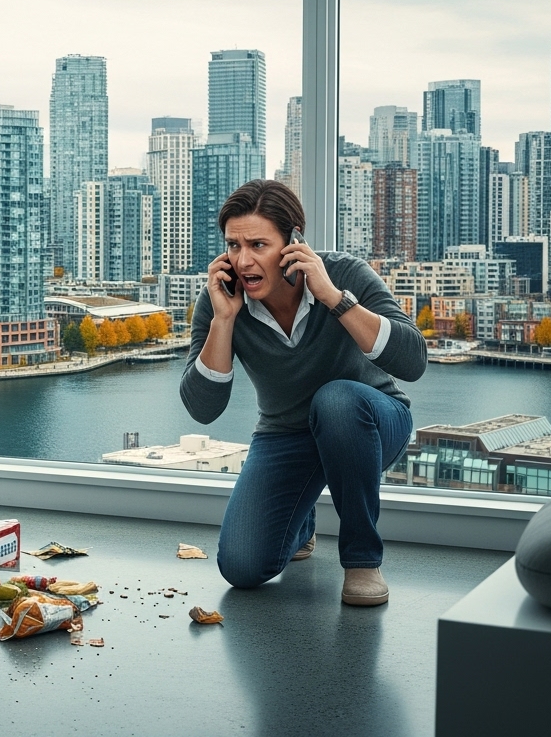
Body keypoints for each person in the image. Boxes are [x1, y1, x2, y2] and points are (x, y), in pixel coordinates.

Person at [180, 180, 426, 606]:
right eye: (233, 245)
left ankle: (363, 560)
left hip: (369, 421)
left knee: (336, 401)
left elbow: (413, 361)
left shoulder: (345, 274)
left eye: (258, 244)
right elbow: (203, 409)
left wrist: (333, 297)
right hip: (286, 435)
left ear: (294, 242)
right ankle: (302, 521)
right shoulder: (221, 298)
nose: (242, 260)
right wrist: (223, 321)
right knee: (241, 568)